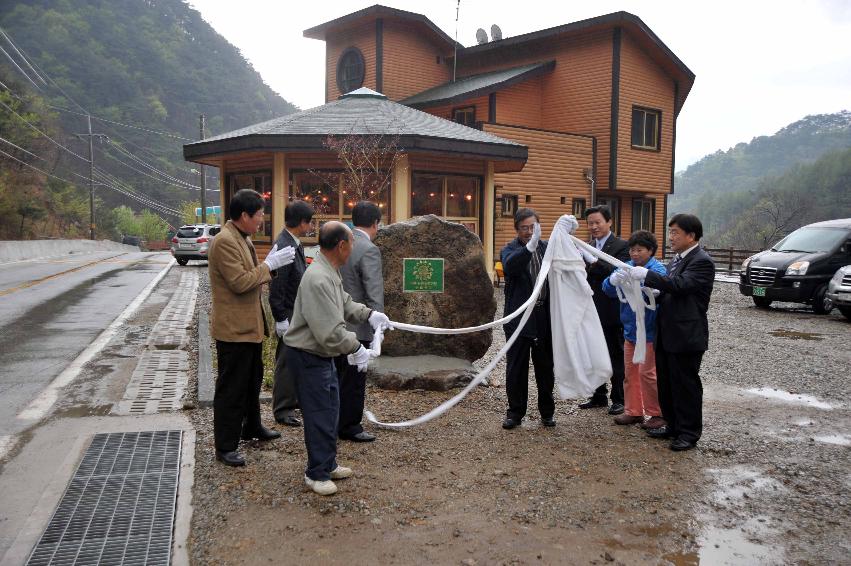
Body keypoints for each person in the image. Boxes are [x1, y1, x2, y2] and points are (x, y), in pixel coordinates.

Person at [284, 221, 391, 495]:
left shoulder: (328, 269)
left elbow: (344, 302)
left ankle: (327, 462)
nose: (353, 247)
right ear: (341, 246)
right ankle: (316, 473)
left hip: (321, 356)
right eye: (351, 243)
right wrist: (356, 348)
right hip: (309, 355)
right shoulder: (319, 277)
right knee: (320, 412)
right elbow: (330, 333)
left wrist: (368, 314)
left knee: (331, 409)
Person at [208, 189, 296, 467]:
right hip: (234, 330)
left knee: (252, 382)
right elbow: (239, 282)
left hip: (249, 327)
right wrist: (269, 265)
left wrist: (268, 266)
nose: (261, 221)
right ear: (244, 215)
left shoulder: (241, 237)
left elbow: (250, 274)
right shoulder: (224, 242)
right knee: (231, 389)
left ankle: (252, 426)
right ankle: (225, 446)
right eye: (258, 216)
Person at [627, 214, 715, 451]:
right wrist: (656, 293)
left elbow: (682, 285)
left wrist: (648, 275)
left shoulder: (701, 261)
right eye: (670, 232)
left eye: (675, 232)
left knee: (685, 384)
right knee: (666, 382)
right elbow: (671, 288)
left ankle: (689, 432)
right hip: (667, 332)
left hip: (687, 334)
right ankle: (672, 424)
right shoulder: (677, 259)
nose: (671, 237)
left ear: (691, 235)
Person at [602, 230, 667, 428]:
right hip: (630, 331)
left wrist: (650, 285)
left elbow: (661, 292)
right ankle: (634, 411)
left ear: (651, 251)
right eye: (632, 250)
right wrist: (612, 281)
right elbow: (607, 289)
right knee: (630, 373)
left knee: (648, 374)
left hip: (650, 332)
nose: (634, 254)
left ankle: (657, 413)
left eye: (639, 250)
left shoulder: (658, 269)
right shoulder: (625, 267)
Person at [499, 207, 556, 430]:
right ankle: (515, 413)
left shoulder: (547, 248)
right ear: (517, 229)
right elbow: (509, 266)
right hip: (518, 318)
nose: (529, 231)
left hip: (543, 315)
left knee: (545, 367)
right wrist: (528, 249)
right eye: (524, 228)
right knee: (516, 367)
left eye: (533, 227)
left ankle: (547, 412)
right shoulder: (509, 249)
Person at [335, 201, 384, 443]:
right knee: (354, 379)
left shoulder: (342, 243)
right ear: (376, 223)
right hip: (359, 323)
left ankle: (336, 419)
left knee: (338, 376)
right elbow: (373, 292)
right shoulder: (368, 249)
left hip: (337, 320)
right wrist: (379, 325)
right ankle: (350, 426)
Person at [577, 205, 630, 414]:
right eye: (590, 223)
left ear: (609, 222)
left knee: (615, 354)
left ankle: (619, 398)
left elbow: (618, 271)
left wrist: (594, 261)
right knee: (592, 353)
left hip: (612, 310)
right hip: (590, 309)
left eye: (598, 222)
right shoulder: (587, 245)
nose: (594, 226)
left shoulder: (621, 246)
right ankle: (598, 395)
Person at [269, 200, 314, 427]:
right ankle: (283, 409)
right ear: (302, 223)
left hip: (296, 311)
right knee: (286, 363)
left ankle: (292, 403)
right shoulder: (285, 245)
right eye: (310, 221)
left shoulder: (294, 242)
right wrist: (280, 318)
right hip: (287, 311)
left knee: (296, 360)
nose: (311, 226)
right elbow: (277, 285)